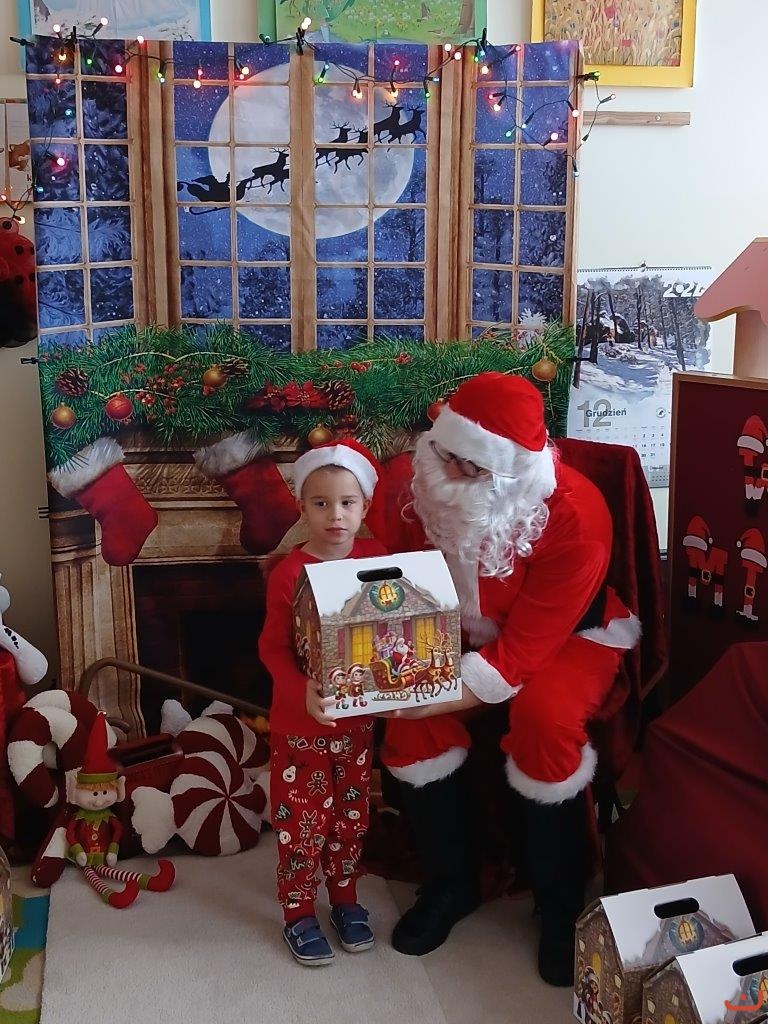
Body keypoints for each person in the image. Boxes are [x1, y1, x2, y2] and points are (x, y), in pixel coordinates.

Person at [379, 372, 640, 986]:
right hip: (457, 629)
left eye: (469, 465)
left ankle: (560, 900)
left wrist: (435, 695)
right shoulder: (416, 480)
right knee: (409, 728)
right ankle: (453, 882)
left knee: (544, 722)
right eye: (443, 452)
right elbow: (389, 582)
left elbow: (522, 653)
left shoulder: (574, 515)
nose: (448, 471)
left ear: (512, 472)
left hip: (566, 635)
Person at [259, 439, 387, 966]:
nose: (335, 515)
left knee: (351, 817)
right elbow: (272, 648)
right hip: (301, 726)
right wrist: (300, 690)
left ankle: (345, 897)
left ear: (365, 506)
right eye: (321, 503)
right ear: (301, 507)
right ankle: (296, 911)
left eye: (347, 503)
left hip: (356, 724)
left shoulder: (379, 561)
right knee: (303, 822)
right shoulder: (289, 572)